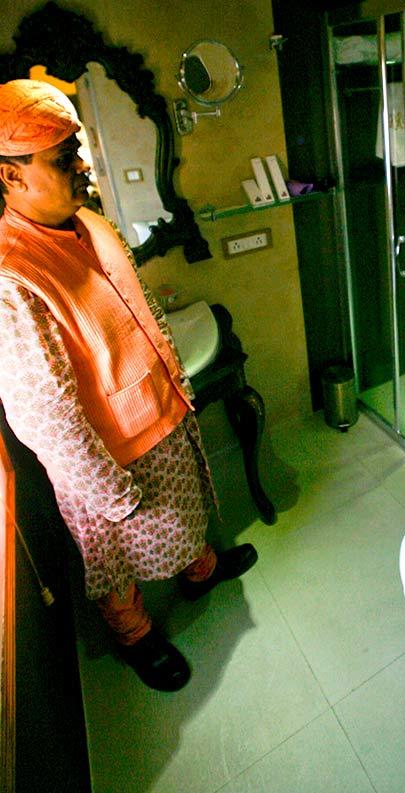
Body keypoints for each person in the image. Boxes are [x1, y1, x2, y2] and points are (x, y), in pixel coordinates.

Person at [0, 79, 258, 692]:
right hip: (112, 460)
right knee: (115, 562)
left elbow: (134, 307)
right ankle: (136, 638)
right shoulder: (12, 276)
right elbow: (42, 412)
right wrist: (108, 492)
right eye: (64, 159)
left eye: (78, 149)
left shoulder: (85, 222)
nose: (83, 166)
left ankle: (199, 571)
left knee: (186, 511)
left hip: (159, 412)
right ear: (10, 176)